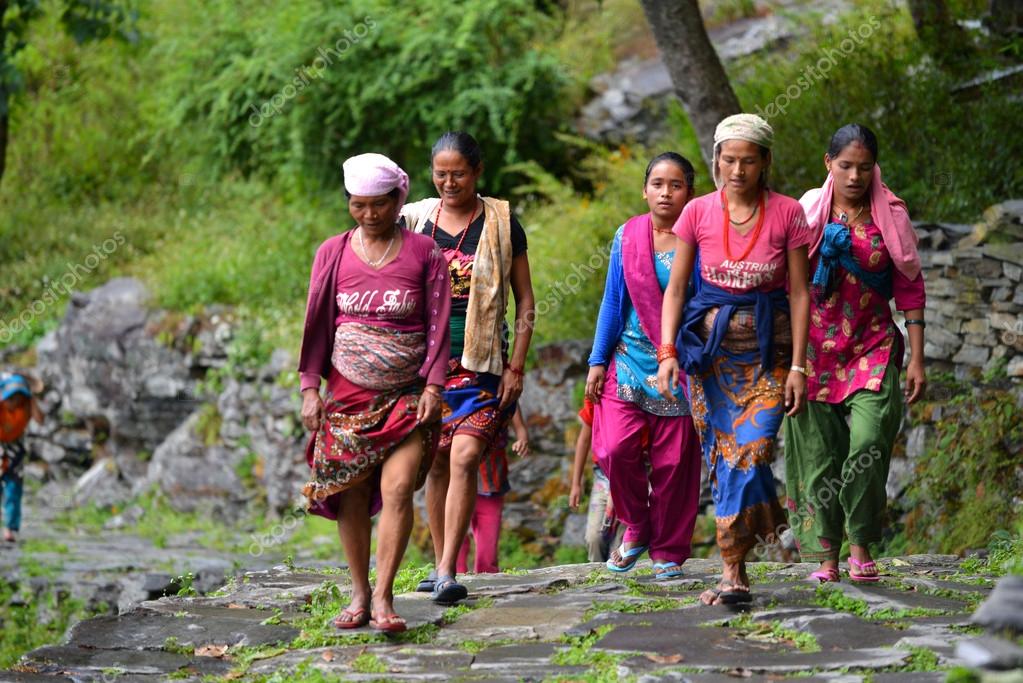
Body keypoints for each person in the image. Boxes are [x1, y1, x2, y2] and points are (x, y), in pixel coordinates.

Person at [657, 114, 811, 604]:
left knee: (754, 447)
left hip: (771, 354)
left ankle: (751, 542)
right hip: (709, 358)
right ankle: (734, 570)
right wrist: (666, 354)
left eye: (748, 161)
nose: (737, 170)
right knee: (726, 457)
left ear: (765, 162)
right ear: (717, 160)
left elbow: (802, 293)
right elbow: (677, 289)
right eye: (728, 160)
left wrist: (802, 366)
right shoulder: (698, 212)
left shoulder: (788, 213)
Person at [298, 153, 451, 633]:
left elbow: (439, 325)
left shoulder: (424, 253)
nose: (368, 215)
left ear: (397, 200)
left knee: (400, 488)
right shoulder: (333, 253)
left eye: (378, 205)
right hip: (346, 401)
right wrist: (309, 388)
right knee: (352, 496)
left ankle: (385, 597)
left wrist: (434, 384)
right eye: (358, 205)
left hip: (407, 398)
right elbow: (316, 324)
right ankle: (359, 592)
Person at [784, 124, 926, 583]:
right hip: (814, 352)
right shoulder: (807, 214)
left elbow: (909, 287)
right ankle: (827, 558)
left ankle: (860, 545)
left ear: (874, 169)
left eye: (864, 167)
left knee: (868, 443)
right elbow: (786, 284)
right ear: (829, 164)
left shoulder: (891, 217)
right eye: (845, 166)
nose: (854, 176)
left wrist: (919, 358)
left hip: (873, 346)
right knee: (819, 454)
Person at [402, 131, 535, 604]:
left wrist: (516, 367)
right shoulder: (415, 221)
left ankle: (445, 570)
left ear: (477, 171)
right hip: (427, 369)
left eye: (458, 172)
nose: (449, 181)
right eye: (441, 173)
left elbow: (526, 303)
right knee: (435, 464)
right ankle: (444, 564)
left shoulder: (501, 223)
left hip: (483, 368)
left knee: (463, 457)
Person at [585, 152, 704, 580]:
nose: (665, 192)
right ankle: (636, 525)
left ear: (690, 192)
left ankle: (669, 550)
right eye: (657, 183)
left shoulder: (702, 238)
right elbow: (612, 302)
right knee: (615, 448)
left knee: (675, 465)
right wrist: (597, 360)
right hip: (628, 361)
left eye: (675, 185)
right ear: (645, 190)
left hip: (681, 365)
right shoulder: (628, 236)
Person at [456, 406, 529, 574]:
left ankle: (487, 579)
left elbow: (509, 396)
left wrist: (521, 432)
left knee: (488, 550)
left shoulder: (497, 382)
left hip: (490, 473)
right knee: (454, 534)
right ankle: (452, 576)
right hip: (453, 469)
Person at [569, 397, 625, 563]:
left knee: (619, 543)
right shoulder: (595, 393)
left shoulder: (634, 388)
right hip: (603, 476)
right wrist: (575, 484)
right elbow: (584, 439)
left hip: (632, 476)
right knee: (594, 537)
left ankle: (621, 582)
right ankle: (598, 581)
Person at [0, 372, 44, 543]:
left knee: (13, 489)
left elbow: (40, 420)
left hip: (15, 449)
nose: (14, 402)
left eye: (19, 397)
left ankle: (10, 528)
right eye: (11, 398)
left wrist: (32, 399)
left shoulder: (26, 405)